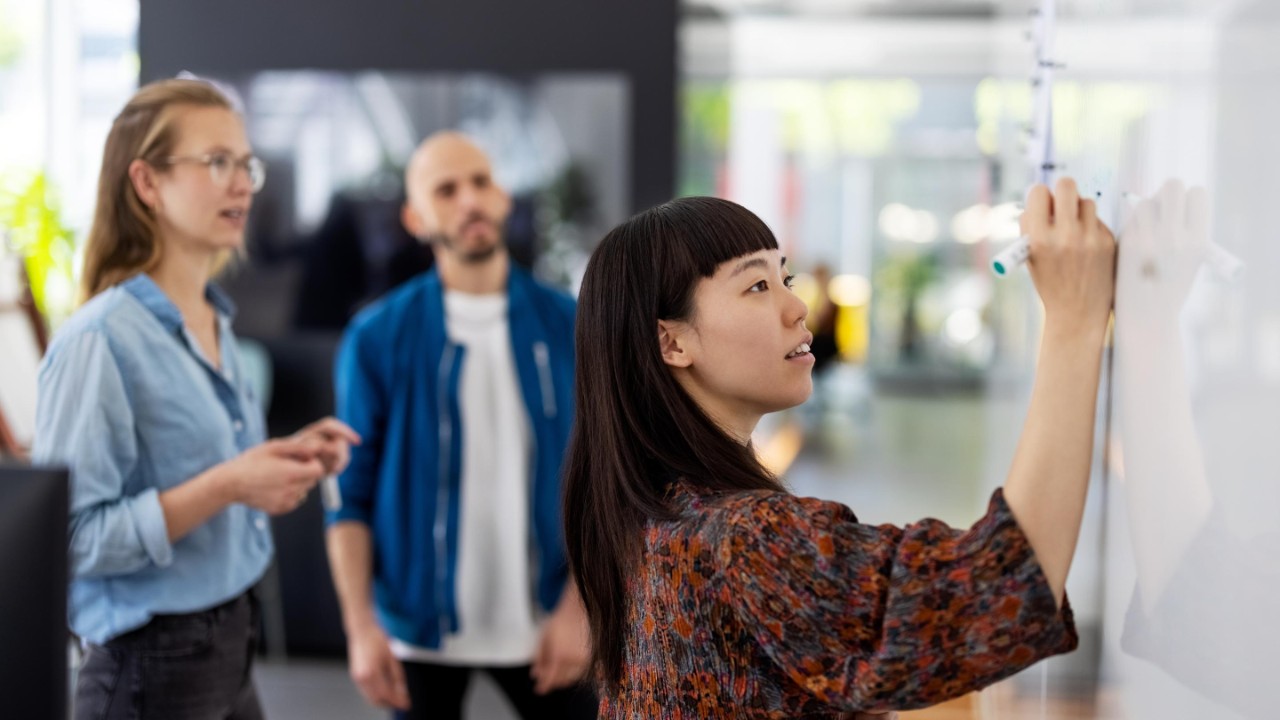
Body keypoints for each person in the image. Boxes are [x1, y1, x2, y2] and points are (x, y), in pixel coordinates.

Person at [562, 181, 1116, 718]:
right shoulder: (745, 537)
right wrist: (1074, 322)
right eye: (757, 287)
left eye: (787, 278)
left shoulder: (646, 511)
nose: (798, 307)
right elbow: (1001, 586)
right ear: (672, 342)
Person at [33, 78, 359, 720]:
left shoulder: (213, 318)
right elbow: (68, 538)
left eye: (246, 165)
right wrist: (231, 484)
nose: (242, 184)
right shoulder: (98, 340)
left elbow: (205, 468)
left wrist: (275, 460)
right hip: (147, 664)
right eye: (216, 163)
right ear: (147, 183)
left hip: (231, 642)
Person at [325, 131, 595, 720]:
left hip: (551, 620)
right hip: (418, 631)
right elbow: (349, 496)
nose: (469, 200)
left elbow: (607, 480)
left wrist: (581, 605)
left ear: (502, 197)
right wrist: (360, 628)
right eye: (446, 190)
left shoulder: (569, 324)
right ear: (415, 218)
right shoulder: (376, 338)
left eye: (481, 182)